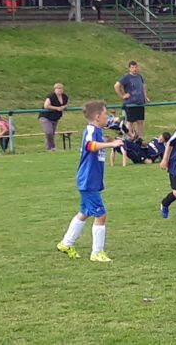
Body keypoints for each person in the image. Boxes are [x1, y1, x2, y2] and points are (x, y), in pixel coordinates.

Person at [55, 101, 124, 262]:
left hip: (90, 180)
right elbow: (90, 145)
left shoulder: (97, 130)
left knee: (85, 212)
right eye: (106, 114)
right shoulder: (91, 129)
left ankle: (66, 243)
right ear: (98, 116)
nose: (108, 117)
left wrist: (112, 133)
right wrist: (111, 143)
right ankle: (97, 252)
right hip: (88, 180)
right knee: (101, 215)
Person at [115, 61, 149, 137]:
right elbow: (117, 85)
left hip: (140, 103)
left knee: (140, 121)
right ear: (129, 68)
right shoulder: (126, 77)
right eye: (133, 67)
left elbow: (143, 86)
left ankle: (139, 139)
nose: (135, 69)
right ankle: (129, 139)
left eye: (136, 67)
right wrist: (122, 95)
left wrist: (145, 96)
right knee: (130, 122)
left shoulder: (140, 76)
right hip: (131, 104)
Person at [39, 83, 69, 151]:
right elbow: (46, 106)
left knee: (52, 133)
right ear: (55, 89)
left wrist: (63, 107)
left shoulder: (64, 97)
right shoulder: (51, 96)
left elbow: (66, 104)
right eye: (58, 89)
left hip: (55, 117)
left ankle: (51, 148)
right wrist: (57, 108)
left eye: (61, 89)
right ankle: (51, 147)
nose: (59, 90)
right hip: (46, 117)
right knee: (49, 132)